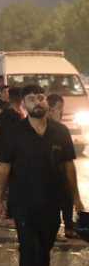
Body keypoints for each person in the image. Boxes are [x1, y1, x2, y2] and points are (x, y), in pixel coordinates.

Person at [0, 85, 85, 266]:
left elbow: (68, 166)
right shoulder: (15, 132)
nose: (37, 101)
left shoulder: (60, 132)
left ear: (46, 102)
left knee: (45, 249)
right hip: (23, 203)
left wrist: (76, 197)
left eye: (40, 97)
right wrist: (0, 199)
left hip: (52, 201)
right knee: (28, 249)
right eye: (31, 99)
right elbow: (5, 167)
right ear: (24, 105)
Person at [47, 94, 77, 239]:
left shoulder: (61, 130)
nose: (62, 112)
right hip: (54, 179)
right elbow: (69, 163)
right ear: (51, 110)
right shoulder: (59, 130)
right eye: (59, 109)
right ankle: (67, 227)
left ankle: (67, 226)